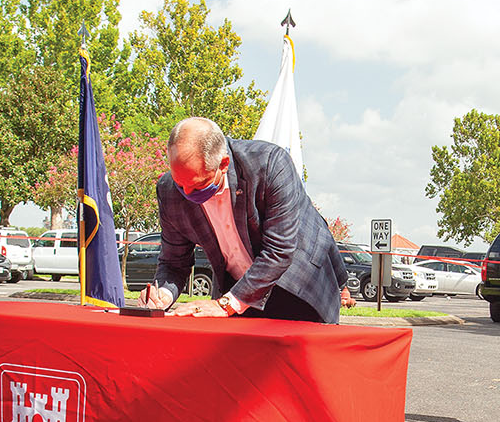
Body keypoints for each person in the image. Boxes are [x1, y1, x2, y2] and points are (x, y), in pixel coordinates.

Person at [139, 117, 348, 322]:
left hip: (299, 284)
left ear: (223, 164)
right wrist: (162, 295)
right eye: (180, 184)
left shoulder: (269, 162)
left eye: (198, 185)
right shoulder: (168, 191)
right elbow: (174, 262)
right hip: (235, 290)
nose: (187, 193)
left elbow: (280, 250)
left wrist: (225, 304)